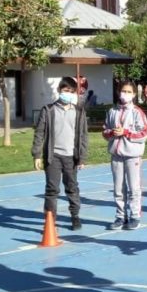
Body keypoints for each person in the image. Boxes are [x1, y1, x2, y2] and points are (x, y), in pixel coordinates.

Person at [31, 76, 89, 231]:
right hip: (53, 156)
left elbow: (83, 135)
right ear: (59, 90)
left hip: (71, 157)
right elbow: (39, 133)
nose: (68, 93)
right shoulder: (48, 110)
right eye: (65, 90)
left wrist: (82, 157)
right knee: (52, 189)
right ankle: (50, 220)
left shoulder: (79, 111)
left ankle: (75, 217)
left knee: (72, 188)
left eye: (71, 91)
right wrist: (37, 154)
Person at [102, 80, 147, 230]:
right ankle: (120, 216)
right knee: (118, 187)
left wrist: (127, 132)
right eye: (123, 91)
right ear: (118, 92)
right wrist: (111, 133)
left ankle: (135, 216)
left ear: (134, 94)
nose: (125, 94)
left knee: (133, 187)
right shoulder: (112, 112)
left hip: (132, 155)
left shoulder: (137, 112)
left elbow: (144, 133)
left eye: (129, 92)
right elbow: (105, 131)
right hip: (116, 155)